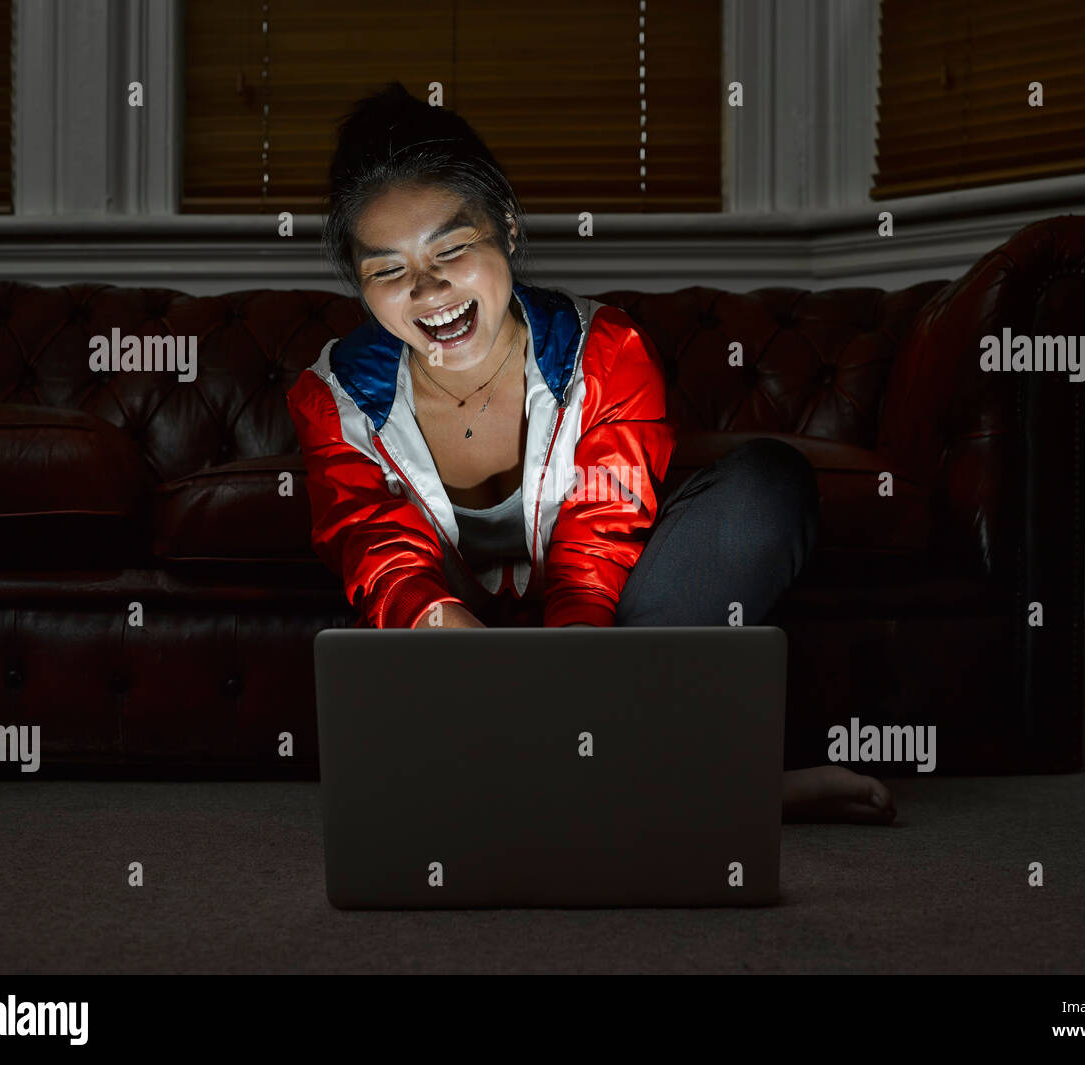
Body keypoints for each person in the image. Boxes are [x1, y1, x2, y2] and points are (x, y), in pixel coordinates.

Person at [286, 82, 895, 825]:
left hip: (606, 633)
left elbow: (595, 551)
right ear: (360, 283)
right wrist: (473, 655)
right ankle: (710, 792)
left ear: (506, 228)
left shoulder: (606, 350)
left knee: (769, 486)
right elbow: (382, 557)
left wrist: (567, 684)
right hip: (452, 652)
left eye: (453, 248)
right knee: (385, 672)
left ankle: (557, 782)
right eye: (387, 270)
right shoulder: (334, 397)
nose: (427, 288)